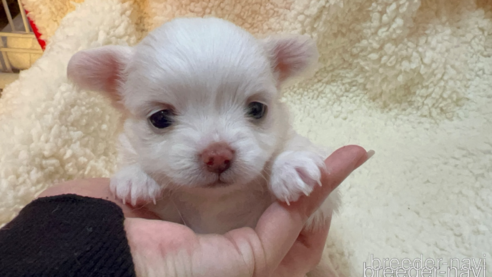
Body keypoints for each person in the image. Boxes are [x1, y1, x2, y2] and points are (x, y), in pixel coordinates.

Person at [0, 145, 370, 277]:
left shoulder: (281, 150)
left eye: (253, 110)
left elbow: (319, 203)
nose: (215, 151)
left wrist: (290, 162)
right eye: (163, 119)